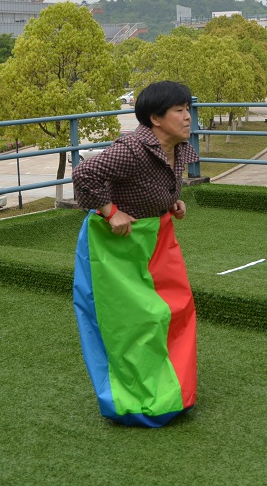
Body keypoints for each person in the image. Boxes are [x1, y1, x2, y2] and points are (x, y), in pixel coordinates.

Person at [71, 80, 199, 427]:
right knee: (137, 321)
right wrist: (110, 211)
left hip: (156, 237)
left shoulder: (176, 147)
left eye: (188, 109)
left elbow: (152, 183)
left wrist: (171, 201)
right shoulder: (131, 148)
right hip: (116, 246)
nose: (188, 116)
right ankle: (137, 400)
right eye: (179, 110)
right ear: (156, 118)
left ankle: (170, 392)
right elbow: (84, 175)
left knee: (177, 309)